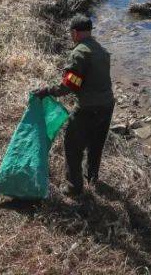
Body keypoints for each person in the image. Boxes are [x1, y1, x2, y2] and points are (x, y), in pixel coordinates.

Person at [32, 15, 114, 196]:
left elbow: (70, 84)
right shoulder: (101, 50)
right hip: (107, 106)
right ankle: (91, 177)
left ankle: (73, 187)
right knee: (96, 144)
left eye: (71, 33)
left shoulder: (80, 53)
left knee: (72, 145)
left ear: (75, 33)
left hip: (88, 109)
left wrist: (46, 91)